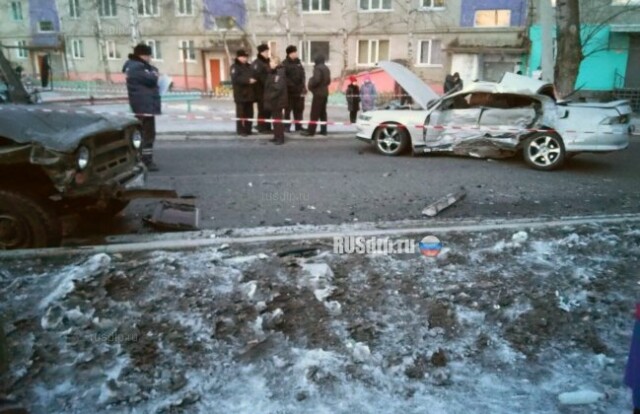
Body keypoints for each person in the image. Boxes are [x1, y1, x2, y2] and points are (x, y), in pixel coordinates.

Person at [124, 43, 161, 171]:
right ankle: (145, 161)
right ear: (142, 55)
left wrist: (153, 73)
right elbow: (152, 79)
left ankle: (142, 159)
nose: (150, 58)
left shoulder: (137, 66)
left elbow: (154, 72)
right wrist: (154, 75)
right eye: (149, 55)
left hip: (144, 105)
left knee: (145, 133)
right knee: (147, 134)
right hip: (144, 106)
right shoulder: (136, 68)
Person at [301, 55, 330, 137]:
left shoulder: (318, 68)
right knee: (323, 112)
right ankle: (324, 130)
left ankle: (311, 131)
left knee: (314, 113)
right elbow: (328, 80)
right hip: (325, 92)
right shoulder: (326, 68)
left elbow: (316, 80)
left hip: (318, 93)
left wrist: (310, 83)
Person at [231, 49, 256, 136]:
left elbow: (253, 75)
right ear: (239, 57)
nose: (245, 59)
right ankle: (241, 130)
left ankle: (248, 130)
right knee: (241, 114)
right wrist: (248, 80)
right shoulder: (234, 67)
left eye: (246, 57)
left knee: (250, 114)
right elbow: (236, 79)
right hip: (240, 95)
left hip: (249, 95)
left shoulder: (249, 66)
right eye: (243, 57)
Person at [263, 57, 288, 145]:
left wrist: (270, 96)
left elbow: (278, 87)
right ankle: (276, 136)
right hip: (274, 100)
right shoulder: (273, 72)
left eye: (272, 62)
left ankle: (280, 138)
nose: (270, 63)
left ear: (276, 64)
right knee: (275, 120)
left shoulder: (279, 73)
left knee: (278, 120)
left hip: (278, 100)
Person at [282, 45, 306, 132]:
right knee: (288, 110)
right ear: (290, 53)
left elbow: (303, 74)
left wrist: (303, 86)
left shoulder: (298, 62)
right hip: (289, 92)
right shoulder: (285, 64)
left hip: (299, 91)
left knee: (299, 110)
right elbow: (284, 78)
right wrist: (293, 86)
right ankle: (286, 127)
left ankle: (298, 126)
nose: (296, 53)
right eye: (294, 52)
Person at [252, 43, 271, 133]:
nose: (268, 53)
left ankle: (267, 127)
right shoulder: (257, 63)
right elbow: (259, 77)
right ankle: (261, 127)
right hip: (261, 91)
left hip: (267, 91)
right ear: (261, 52)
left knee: (267, 110)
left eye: (268, 51)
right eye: (266, 51)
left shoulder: (266, 62)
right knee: (262, 110)